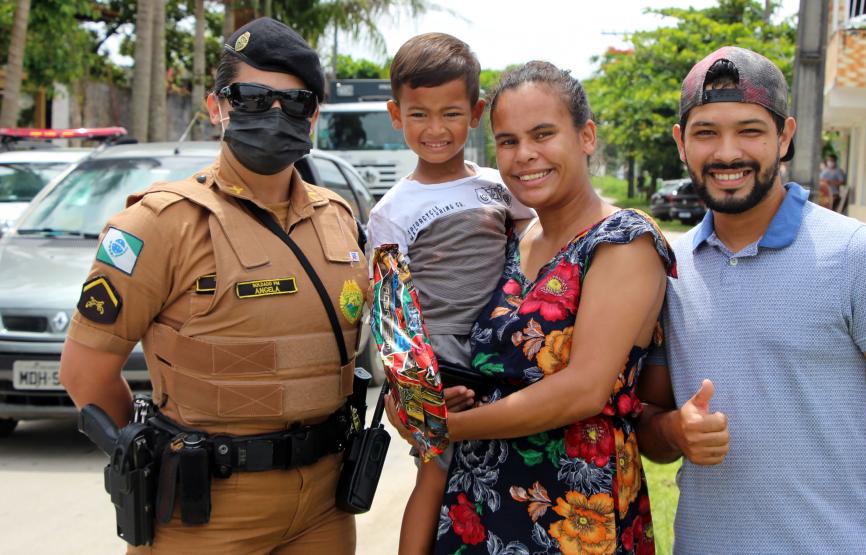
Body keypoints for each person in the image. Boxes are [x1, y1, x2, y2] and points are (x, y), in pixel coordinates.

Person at [60, 18, 366, 553]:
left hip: (325, 505)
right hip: (206, 512)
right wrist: (145, 455)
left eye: (295, 102)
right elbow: (85, 374)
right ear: (216, 106)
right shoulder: (158, 224)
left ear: (313, 115)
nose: (275, 114)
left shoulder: (338, 219)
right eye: (251, 97)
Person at [386, 61, 675, 554]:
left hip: (575, 513)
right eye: (508, 141)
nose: (524, 155)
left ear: (586, 136)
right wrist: (428, 397)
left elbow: (583, 390)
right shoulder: (514, 238)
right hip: (474, 507)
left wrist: (444, 426)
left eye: (543, 134)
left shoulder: (625, 243)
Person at [636, 46, 866, 554]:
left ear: (784, 136)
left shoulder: (860, 257)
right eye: (706, 132)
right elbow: (648, 424)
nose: (726, 153)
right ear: (680, 143)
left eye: (749, 130)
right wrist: (675, 430)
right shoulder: (666, 270)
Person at [366, 32, 534, 554]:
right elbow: (391, 315)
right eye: (419, 115)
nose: (435, 130)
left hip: (505, 353)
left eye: (450, 113)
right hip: (439, 364)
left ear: (477, 111)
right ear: (396, 115)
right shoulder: (390, 211)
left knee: (510, 476)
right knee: (434, 475)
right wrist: (422, 389)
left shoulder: (499, 187)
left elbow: (535, 253)